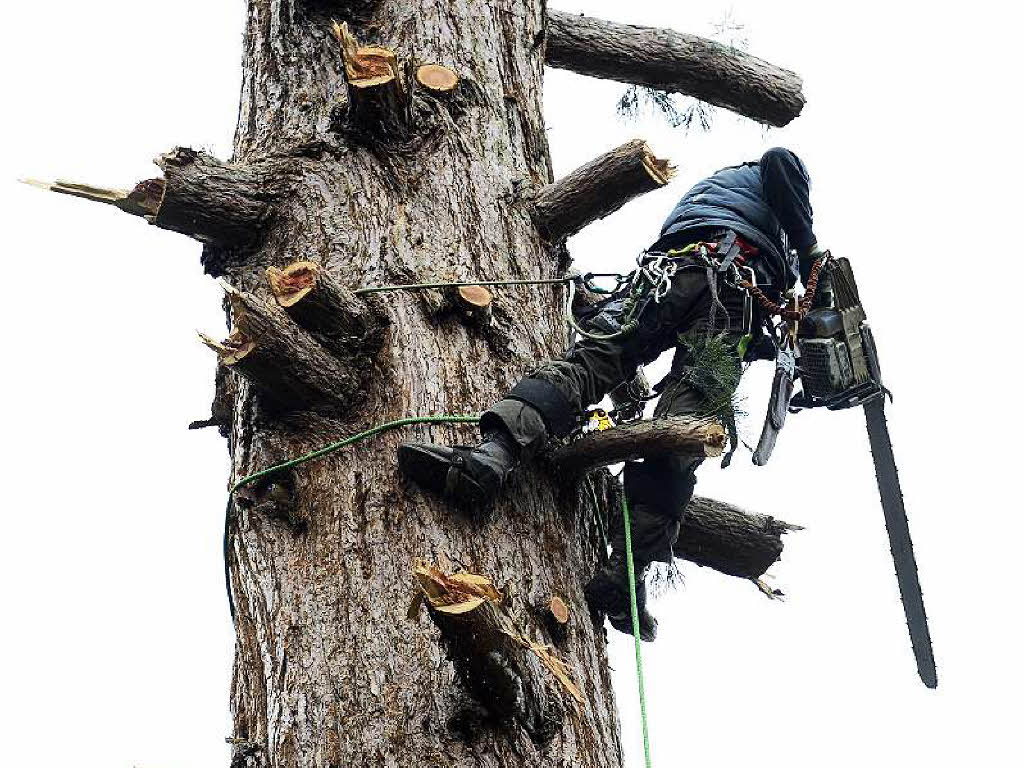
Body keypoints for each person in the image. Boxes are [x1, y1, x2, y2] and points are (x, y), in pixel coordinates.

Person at [398, 147, 823, 641]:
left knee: (598, 364)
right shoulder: (781, 184)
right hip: (723, 285)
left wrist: (773, 343)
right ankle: (626, 566)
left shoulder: (731, 202)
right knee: (684, 429)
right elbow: (781, 161)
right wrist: (811, 249)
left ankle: (495, 459)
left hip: (674, 277)